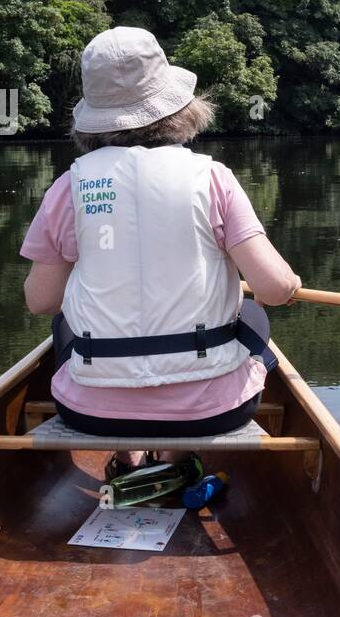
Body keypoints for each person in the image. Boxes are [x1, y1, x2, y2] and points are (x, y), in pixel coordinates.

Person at [19, 27, 300, 476]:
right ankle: (172, 455)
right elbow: (272, 287)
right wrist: (289, 285)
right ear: (175, 105)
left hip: (91, 414)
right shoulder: (212, 179)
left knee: (65, 322)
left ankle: (127, 457)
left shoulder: (69, 187)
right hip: (213, 412)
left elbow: (41, 301)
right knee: (253, 315)